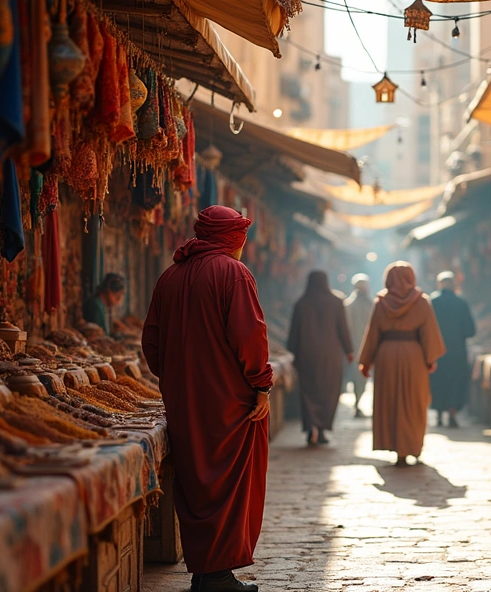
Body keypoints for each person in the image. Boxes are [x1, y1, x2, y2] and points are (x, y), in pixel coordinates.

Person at [142, 206, 272, 592]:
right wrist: (261, 384)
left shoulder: (170, 276)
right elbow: (249, 336)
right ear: (233, 238)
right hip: (231, 401)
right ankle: (217, 577)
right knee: (229, 484)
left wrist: (181, 378)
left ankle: (207, 572)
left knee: (198, 481)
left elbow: (152, 344)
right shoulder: (233, 273)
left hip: (185, 399)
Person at [357, 262, 446, 466]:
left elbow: (373, 334)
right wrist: (430, 359)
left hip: (386, 355)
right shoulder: (422, 302)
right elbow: (429, 334)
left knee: (390, 401)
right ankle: (412, 446)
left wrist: (366, 362)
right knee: (414, 402)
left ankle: (396, 448)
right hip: (414, 356)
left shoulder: (381, 302)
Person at [288, 271, 354, 446]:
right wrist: (349, 351)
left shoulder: (301, 303)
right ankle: (323, 429)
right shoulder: (336, 302)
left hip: (306, 354)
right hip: (331, 355)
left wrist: (293, 353)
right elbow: (343, 329)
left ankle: (312, 427)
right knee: (328, 391)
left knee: (308, 391)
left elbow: (293, 333)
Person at [429, 271, 476, 428]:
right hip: (457, 352)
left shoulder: (431, 302)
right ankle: (452, 413)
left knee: (438, 382)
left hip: (436, 352)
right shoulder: (461, 303)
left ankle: (439, 415)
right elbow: (471, 330)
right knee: (455, 383)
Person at [343, 274, 373, 417]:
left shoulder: (348, 305)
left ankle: (358, 403)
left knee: (358, 377)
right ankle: (358, 404)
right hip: (362, 347)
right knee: (360, 378)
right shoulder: (371, 304)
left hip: (356, 347)